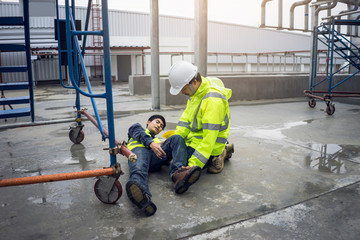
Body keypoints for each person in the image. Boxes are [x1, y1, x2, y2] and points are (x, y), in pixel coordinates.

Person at [168, 60, 234, 178]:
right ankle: (225, 147)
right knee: (175, 152)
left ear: (194, 82)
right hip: (196, 140)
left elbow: (209, 138)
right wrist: (176, 138)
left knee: (184, 163)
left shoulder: (212, 100)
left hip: (211, 145)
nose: (182, 92)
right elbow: (185, 121)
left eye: (183, 89)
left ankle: (219, 154)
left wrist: (194, 163)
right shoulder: (197, 93)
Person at [126, 114, 200, 216]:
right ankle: (143, 198)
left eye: (161, 126)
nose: (159, 126)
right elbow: (138, 132)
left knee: (177, 138)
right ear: (148, 122)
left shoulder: (158, 141)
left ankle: (178, 174)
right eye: (157, 122)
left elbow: (169, 149)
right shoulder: (138, 128)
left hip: (155, 159)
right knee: (138, 171)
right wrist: (151, 144)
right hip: (140, 152)